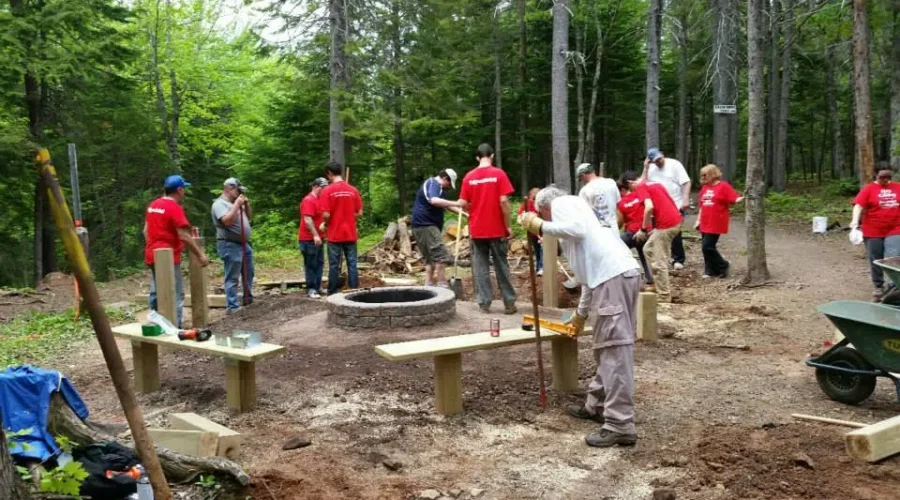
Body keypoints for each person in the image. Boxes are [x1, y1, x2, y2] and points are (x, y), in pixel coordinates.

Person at [518, 186, 640, 448]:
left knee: (614, 350)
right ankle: (597, 405)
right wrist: (580, 315)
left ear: (545, 208)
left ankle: (620, 424)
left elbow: (575, 229)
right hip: (613, 278)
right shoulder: (582, 223)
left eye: (543, 216)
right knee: (607, 349)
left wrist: (540, 225)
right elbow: (587, 280)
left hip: (613, 278)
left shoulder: (563, 203)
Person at [458, 143, 518, 314]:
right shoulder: (499, 174)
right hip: (497, 229)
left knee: (481, 268)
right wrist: (508, 226)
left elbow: (463, 203)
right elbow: (504, 201)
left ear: (477, 157)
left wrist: (474, 209)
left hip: (477, 230)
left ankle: (484, 303)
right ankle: (509, 303)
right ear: (492, 156)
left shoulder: (469, 177)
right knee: (501, 266)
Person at [144, 175, 209, 327]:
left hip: (152, 254)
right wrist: (200, 255)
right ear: (179, 190)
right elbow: (184, 235)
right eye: (184, 189)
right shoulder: (174, 208)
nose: (184, 192)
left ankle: (155, 324)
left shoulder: (153, 205)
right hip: (169, 258)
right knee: (175, 293)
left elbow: (145, 230)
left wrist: (153, 245)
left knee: (157, 290)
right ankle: (174, 328)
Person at [621, 171, 683, 303]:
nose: (632, 191)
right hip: (672, 221)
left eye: (629, 188)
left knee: (658, 260)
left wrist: (643, 229)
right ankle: (657, 284)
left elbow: (649, 208)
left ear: (630, 183)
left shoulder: (640, 187)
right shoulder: (653, 183)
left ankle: (664, 296)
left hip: (667, 225)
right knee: (648, 249)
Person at [851, 167, 900, 298]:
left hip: (895, 228)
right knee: (876, 258)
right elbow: (858, 205)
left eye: (888, 177)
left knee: (893, 256)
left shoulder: (897, 187)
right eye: (882, 177)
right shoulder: (869, 189)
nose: (885, 180)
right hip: (873, 229)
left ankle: (893, 285)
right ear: (875, 175)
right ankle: (878, 285)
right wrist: (854, 221)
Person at [641, 148, 691, 270]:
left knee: (674, 232)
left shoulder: (674, 164)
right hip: (658, 206)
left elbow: (686, 182)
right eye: (656, 161)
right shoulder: (650, 168)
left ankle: (678, 258)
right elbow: (642, 183)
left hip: (675, 203)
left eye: (660, 159)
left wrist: (685, 199)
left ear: (662, 155)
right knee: (658, 233)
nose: (659, 162)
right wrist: (645, 168)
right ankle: (661, 258)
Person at [411, 169, 461, 287]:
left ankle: (428, 285)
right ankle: (442, 284)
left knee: (429, 258)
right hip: (427, 225)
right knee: (440, 255)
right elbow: (434, 201)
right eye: (449, 183)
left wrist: (463, 213)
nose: (449, 187)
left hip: (420, 225)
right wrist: (457, 203)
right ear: (445, 178)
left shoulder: (436, 187)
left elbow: (446, 205)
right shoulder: (434, 184)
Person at [211, 178, 254, 312]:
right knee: (232, 276)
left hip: (243, 244)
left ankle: (248, 299)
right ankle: (232, 306)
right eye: (238, 190)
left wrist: (246, 204)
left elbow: (249, 217)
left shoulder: (236, 203)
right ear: (229, 188)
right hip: (229, 244)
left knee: (249, 272)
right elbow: (227, 221)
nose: (239, 193)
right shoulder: (219, 204)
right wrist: (236, 205)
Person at [321, 161, 363, 295]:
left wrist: (326, 224)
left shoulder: (327, 190)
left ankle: (332, 292)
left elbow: (326, 214)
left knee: (334, 265)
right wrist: (349, 216)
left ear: (330, 173)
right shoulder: (353, 190)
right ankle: (354, 291)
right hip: (350, 233)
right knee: (352, 263)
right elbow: (360, 213)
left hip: (334, 234)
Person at [694, 164, 743, 279]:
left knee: (708, 246)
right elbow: (701, 206)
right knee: (705, 248)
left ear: (713, 174)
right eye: (702, 175)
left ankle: (723, 265)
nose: (703, 177)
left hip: (716, 221)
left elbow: (734, 198)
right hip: (705, 221)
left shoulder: (723, 186)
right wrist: (698, 220)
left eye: (705, 175)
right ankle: (709, 270)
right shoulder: (705, 188)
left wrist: (745, 197)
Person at [617, 181, 654, 288]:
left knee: (615, 249)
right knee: (644, 254)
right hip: (645, 230)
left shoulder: (621, 203)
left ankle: (623, 277)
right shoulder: (639, 195)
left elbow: (620, 222)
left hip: (631, 232)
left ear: (622, 190)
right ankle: (651, 280)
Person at [299, 177, 329, 299]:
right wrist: (315, 235)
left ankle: (318, 286)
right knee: (311, 264)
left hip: (320, 237)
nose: (325, 190)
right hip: (308, 239)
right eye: (323, 188)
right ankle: (311, 288)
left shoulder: (320, 200)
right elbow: (307, 220)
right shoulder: (308, 200)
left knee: (319, 263)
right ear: (316, 187)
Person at [577, 162, 620, 229]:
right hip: (613, 226)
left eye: (581, 179)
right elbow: (618, 204)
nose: (582, 181)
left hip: (597, 228)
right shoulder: (611, 182)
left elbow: (583, 212)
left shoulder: (584, 191)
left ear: (583, 175)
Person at [517, 187, 543, 276]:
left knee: (542, 249)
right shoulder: (527, 203)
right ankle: (539, 268)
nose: (535, 198)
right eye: (534, 196)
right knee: (537, 250)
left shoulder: (541, 203)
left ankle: (541, 267)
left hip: (542, 230)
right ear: (530, 196)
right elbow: (520, 217)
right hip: (533, 231)